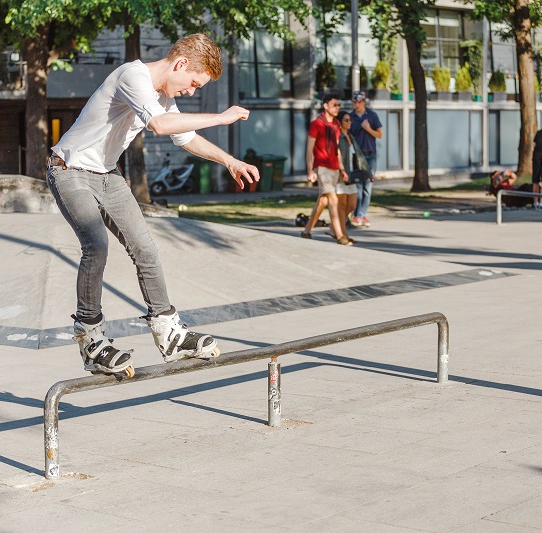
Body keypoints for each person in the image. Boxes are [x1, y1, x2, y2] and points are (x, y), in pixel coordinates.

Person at [48, 34, 260, 375]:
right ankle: (90, 338)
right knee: (96, 246)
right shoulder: (132, 76)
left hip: (107, 175)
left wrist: (229, 161)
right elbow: (160, 125)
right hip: (69, 171)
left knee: (145, 249)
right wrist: (221, 118)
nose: (191, 91)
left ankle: (168, 333)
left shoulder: (161, 95)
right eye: (193, 82)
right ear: (180, 64)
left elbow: (185, 136)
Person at [300, 92, 351, 245]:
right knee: (333, 199)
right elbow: (310, 149)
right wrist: (310, 170)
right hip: (322, 167)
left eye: (338, 105)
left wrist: (342, 168)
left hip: (334, 166)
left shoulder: (336, 124)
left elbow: (337, 148)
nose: (337, 108)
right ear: (325, 105)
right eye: (334, 105)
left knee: (323, 201)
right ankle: (340, 236)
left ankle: (306, 231)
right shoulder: (317, 124)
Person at [348, 90, 382, 228]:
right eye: (355, 102)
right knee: (358, 185)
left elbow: (379, 135)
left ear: (364, 102)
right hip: (357, 154)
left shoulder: (372, 116)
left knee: (368, 185)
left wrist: (367, 128)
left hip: (370, 154)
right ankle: (358, 215)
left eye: (359, 101)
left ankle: (360, 215)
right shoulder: (350, 117)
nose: (357, 104)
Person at [335, 110, 359, 244]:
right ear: (339, 122)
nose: (349, 122)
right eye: (346, 120)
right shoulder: (338, 137)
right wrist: (341, 170)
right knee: (342, 205)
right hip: (341, 174)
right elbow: (337, 155)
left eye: (350, 120)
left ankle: (336, 226)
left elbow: (358, 156)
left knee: (352, 204)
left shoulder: (350, 136)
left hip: (352, 174)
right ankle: (343, 234)